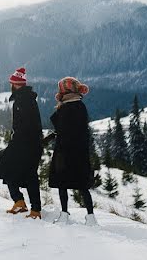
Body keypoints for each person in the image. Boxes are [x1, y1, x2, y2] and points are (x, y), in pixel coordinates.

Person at [0, 67, 42, 219]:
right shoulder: (23, 99)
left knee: (29, 175)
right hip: (23, 143)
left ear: (15, 84)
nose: (10, 85)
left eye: (11, 83)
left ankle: (35, 210)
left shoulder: (24, 101)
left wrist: (19, 141)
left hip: (26, 145)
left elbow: (28, 125)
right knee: (9, 170)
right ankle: (19, 202)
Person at [44, 76, 97, 226]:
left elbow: (60, 129)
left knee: (62, 183)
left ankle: (64, 215)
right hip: (80, 153)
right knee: (82, 185)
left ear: (64, 91)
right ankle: (91, 217)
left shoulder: (66, 108)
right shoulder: (81, 106)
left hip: (64, 152)